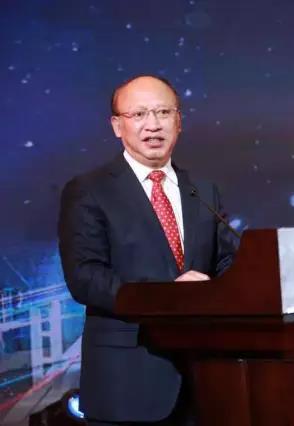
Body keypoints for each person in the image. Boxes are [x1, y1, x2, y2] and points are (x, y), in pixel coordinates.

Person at [58, 75, 236, 425]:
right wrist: (167, 296)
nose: (153, 125)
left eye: (163, 112)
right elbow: (85, 277)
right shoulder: (89, 190)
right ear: (117, 126)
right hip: (127, 383)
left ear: (179, 121)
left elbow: (229, 260)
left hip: (204, 380)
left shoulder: (203, 190)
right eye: (139, 114)